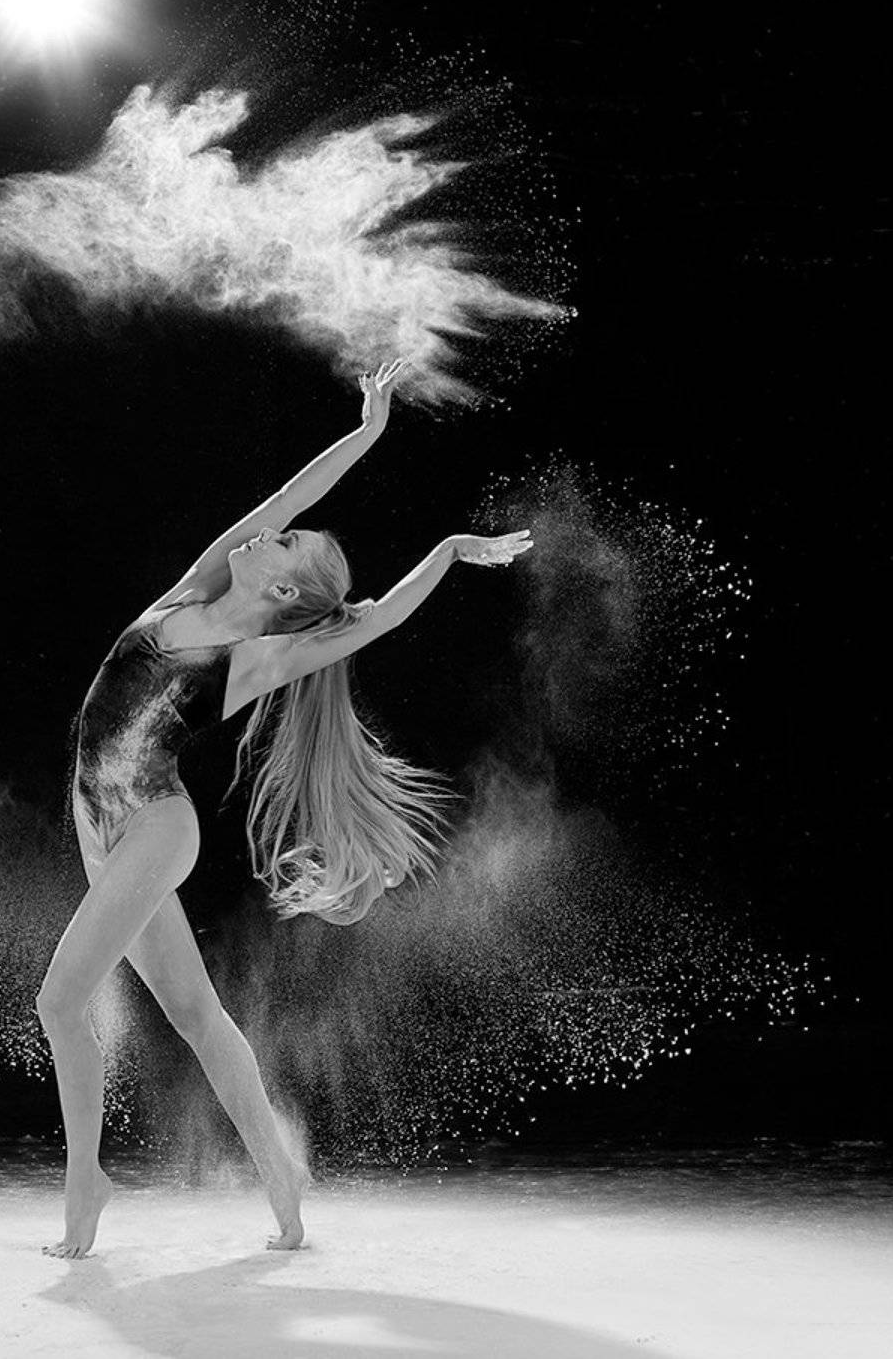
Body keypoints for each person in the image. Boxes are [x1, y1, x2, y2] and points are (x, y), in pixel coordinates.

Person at [37, 359, 534, 1258]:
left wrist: (450, 552)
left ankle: (86, 1180)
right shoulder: (195, 588)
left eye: (284, 543)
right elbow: (290, 492)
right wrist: (368, 433)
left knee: (61, 999)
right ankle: (281, 1180)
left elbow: (376, 619)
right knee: (196, 1015)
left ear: (280, 593)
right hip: (95, 824)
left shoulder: (256, 659)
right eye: (277, 531)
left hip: (154, 825)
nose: (268, 531)